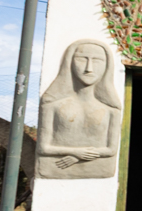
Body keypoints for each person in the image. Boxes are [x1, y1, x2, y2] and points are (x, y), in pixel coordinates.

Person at [37, 39, 122, 179]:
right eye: (82, 59)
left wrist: (78, 156)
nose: (89, 68)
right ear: (70, 62)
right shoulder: (52, 105)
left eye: (97, 61)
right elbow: (43, 147)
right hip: (53, 169)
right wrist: (77, 152)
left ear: (107, 66)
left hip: (100, 170)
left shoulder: (111, 109)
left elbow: (111, 150)